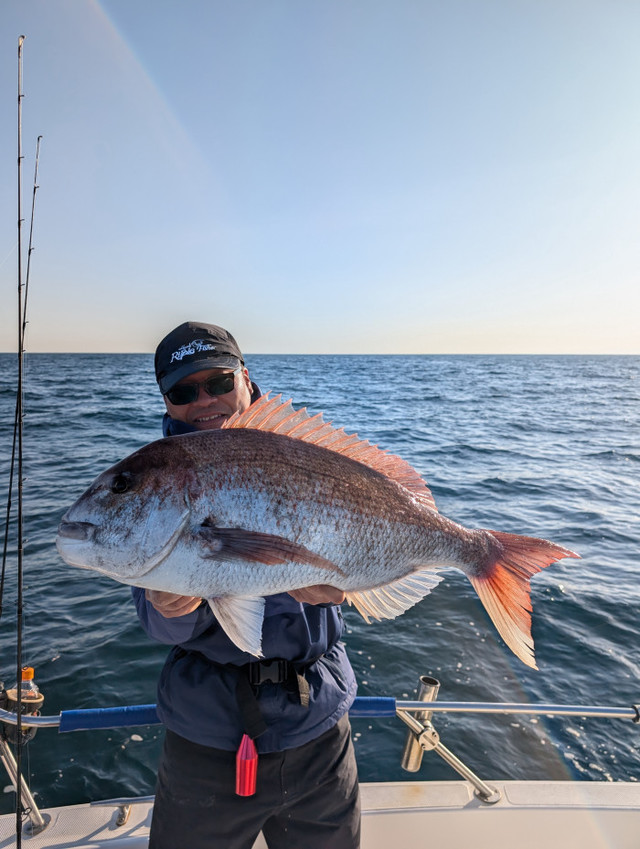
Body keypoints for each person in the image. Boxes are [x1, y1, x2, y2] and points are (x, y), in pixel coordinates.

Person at [132, 321, 360, 849]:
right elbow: (154, 616)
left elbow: (364, 544)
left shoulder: (303, 452)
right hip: (207, 739)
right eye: (184, 391)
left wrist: (350, 587)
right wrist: (170, 607)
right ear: (166, 401)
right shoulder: (154, 477)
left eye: (217, 382)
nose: (204, 401)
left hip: (318, 728)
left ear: (245, 377)